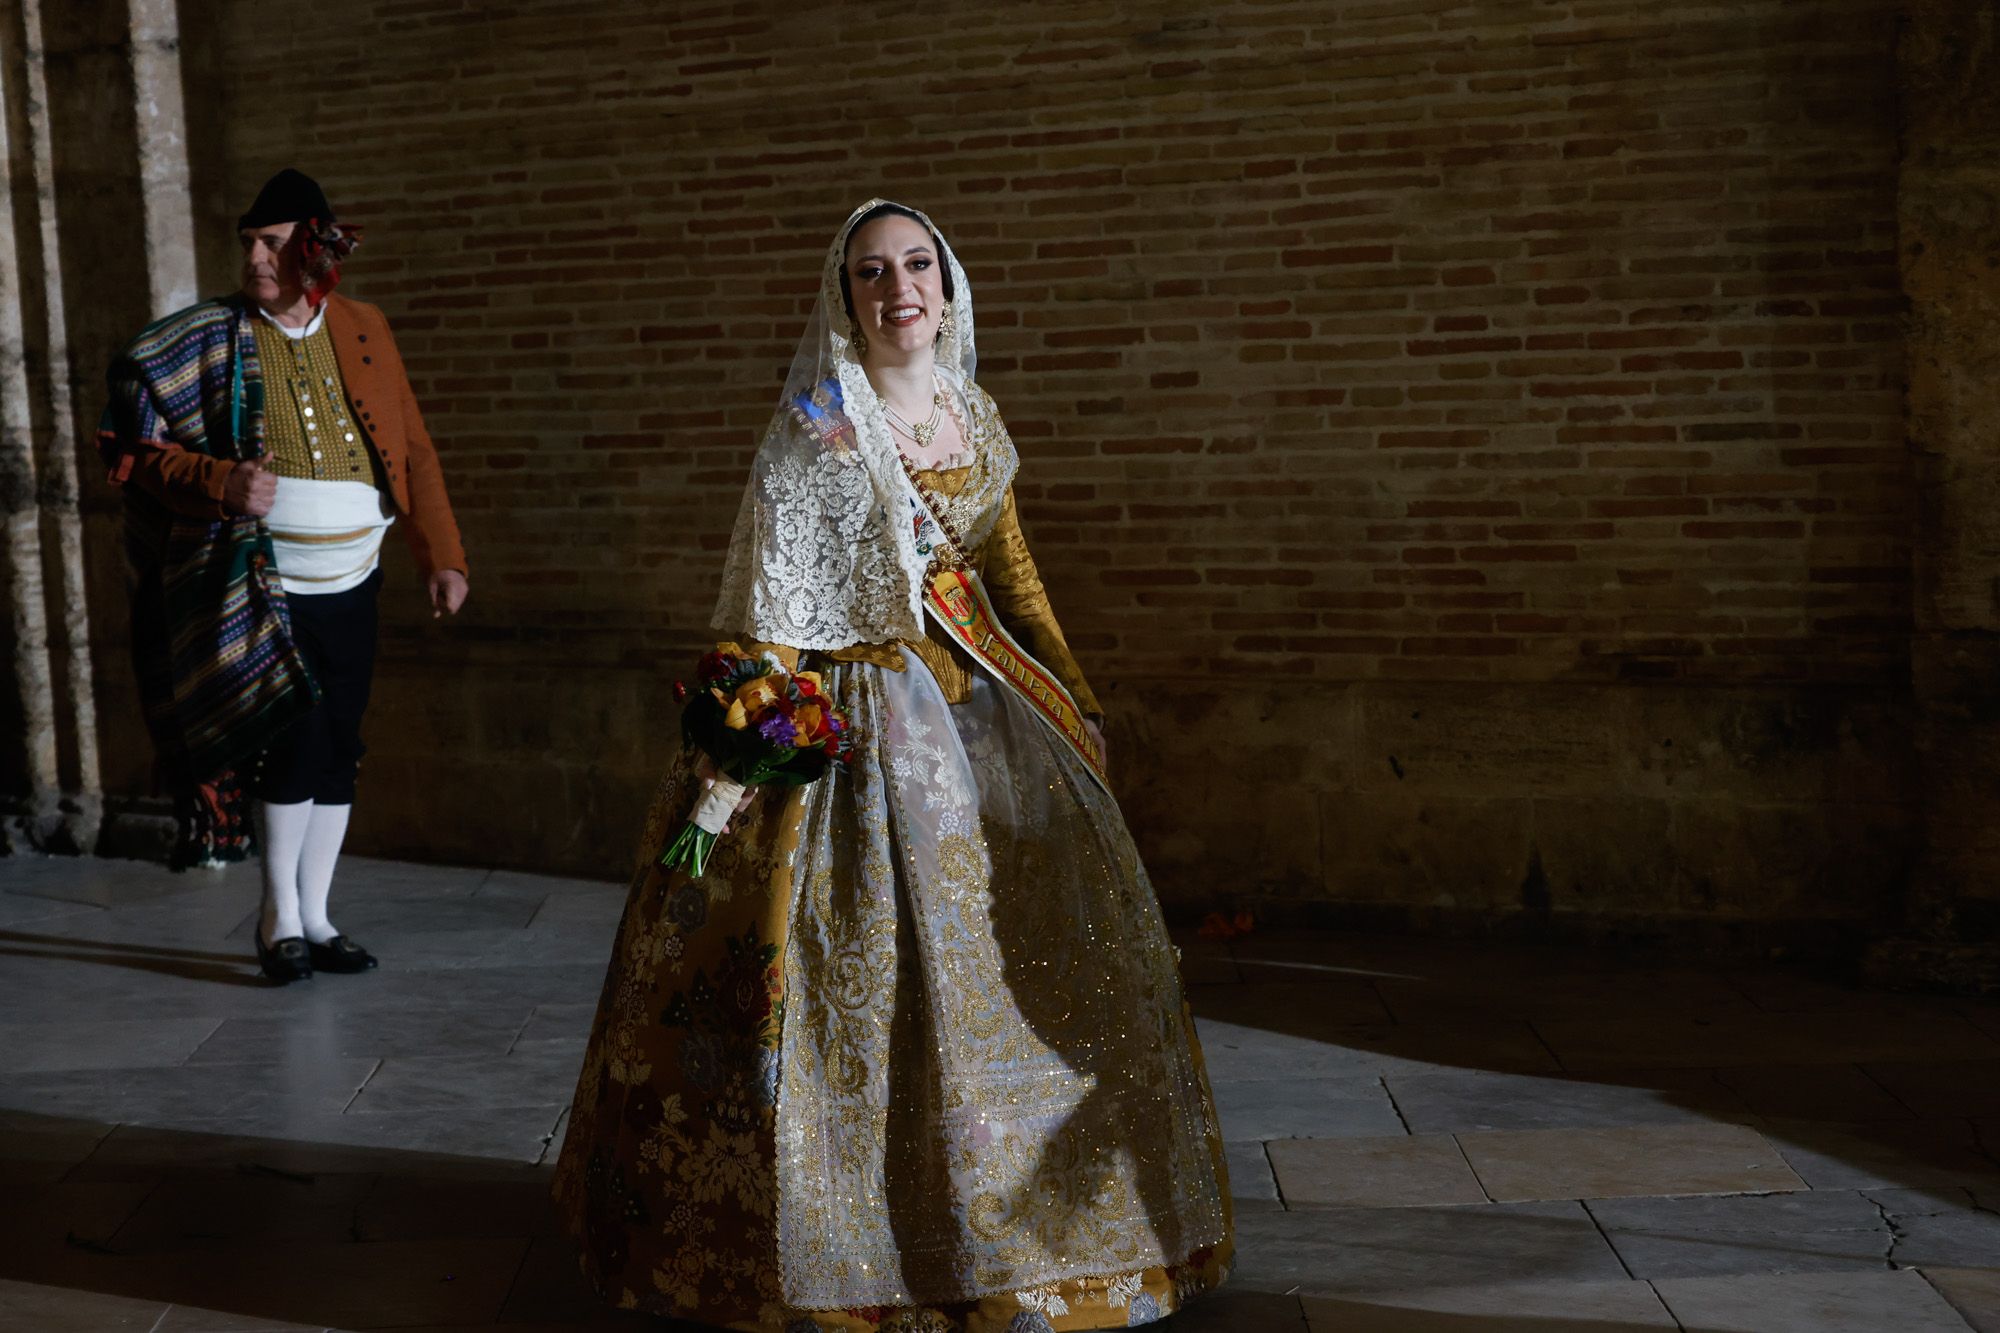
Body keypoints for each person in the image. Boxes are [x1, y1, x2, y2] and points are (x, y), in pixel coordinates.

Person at [552, 200, 1231, 1332]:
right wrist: (735, 761)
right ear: (844, 297)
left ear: (949, 286)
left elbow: (1010, 575)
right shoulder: (820, 421)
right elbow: (775, 598)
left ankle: (1021, 1237)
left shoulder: (969, 409)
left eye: (917, 265)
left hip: (979, 717)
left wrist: (1075, 698)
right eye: (872, 272)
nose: (898, 287)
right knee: (848, 985)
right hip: (854, 727)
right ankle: (839, 1248)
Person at [97, 168, 469, 984]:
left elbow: (412, 448)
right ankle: (278, 917)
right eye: (249, 246)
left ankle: (321, 914)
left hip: (356, 574)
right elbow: (139, 449)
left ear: (314, 248)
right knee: (295, 742)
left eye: (270, 243)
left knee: (342, 743)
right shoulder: (209, 336)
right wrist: (220, 482)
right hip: (264, 581)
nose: (254, 259)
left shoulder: (365, 326)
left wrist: (441, 555)